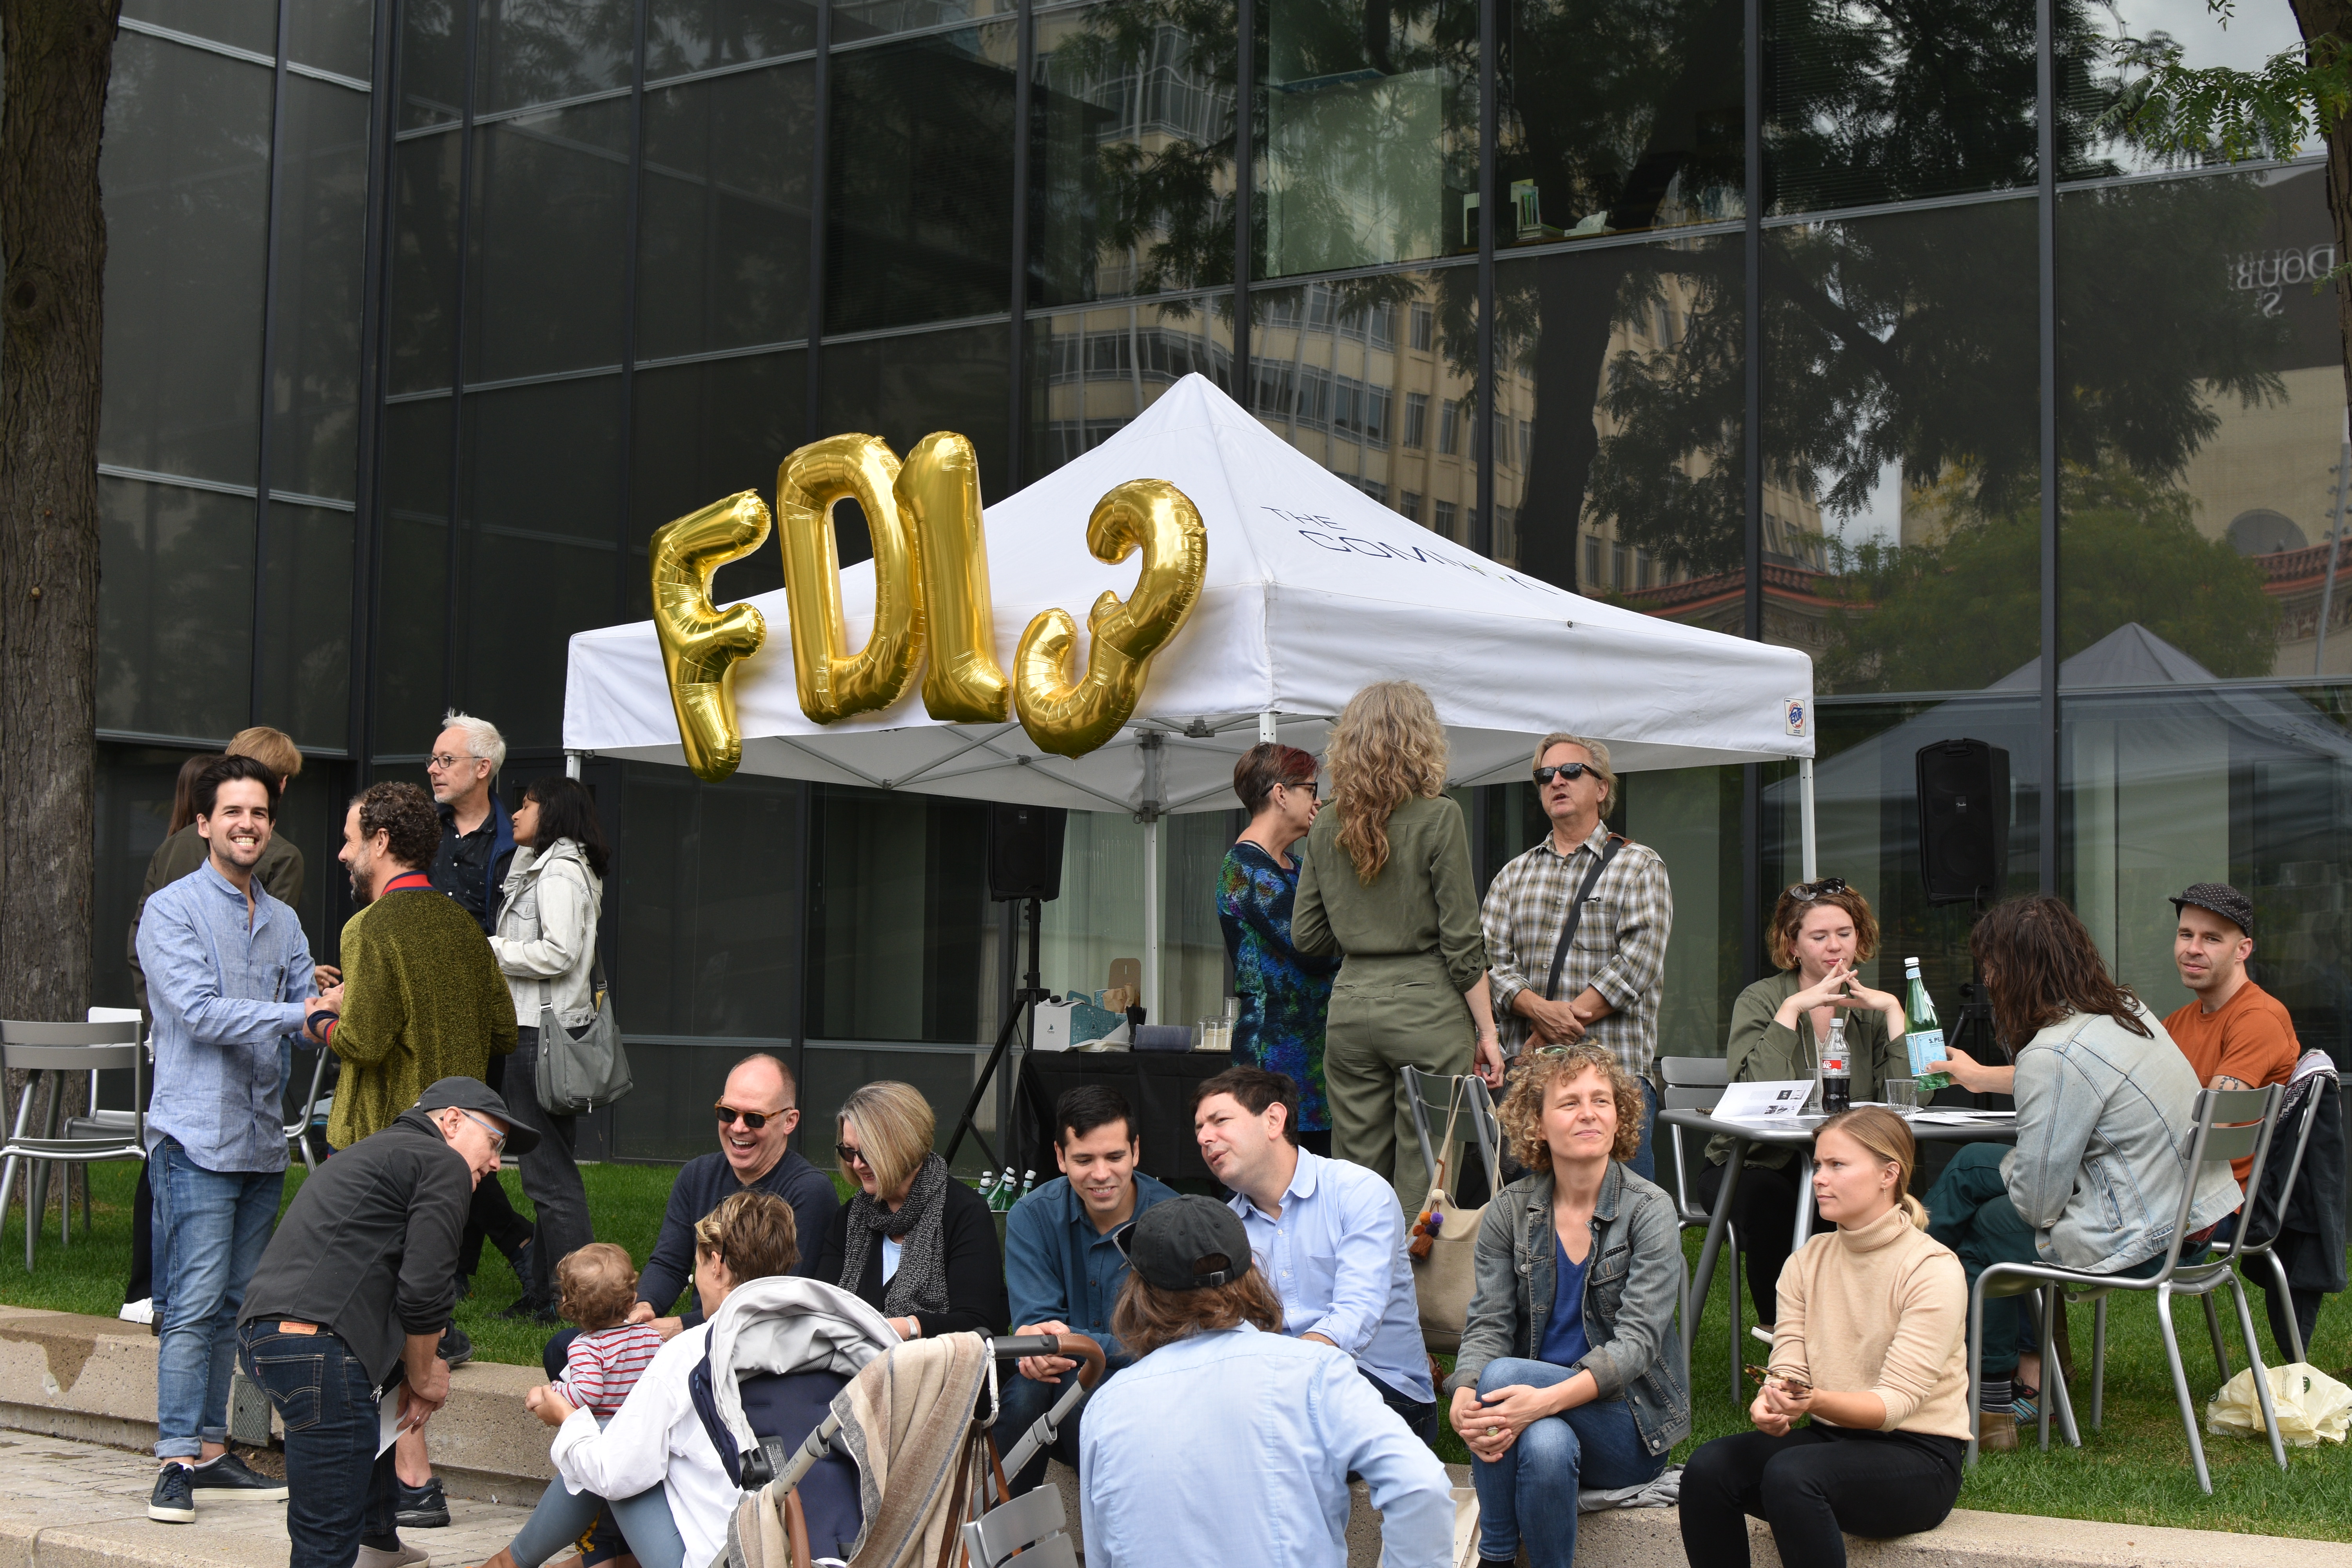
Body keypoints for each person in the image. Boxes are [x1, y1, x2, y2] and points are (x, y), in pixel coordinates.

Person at [1922, 895, 2240, 1450]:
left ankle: (1988, 1400)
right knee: (1973, 1162)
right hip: (2189, 1212)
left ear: (2019, 972)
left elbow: (2037, 1206)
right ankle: (1902, 1282)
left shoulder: (2056, 1053)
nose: (1988, 979)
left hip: (2146, 1232)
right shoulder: (2127, 1012)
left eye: (1992, 967)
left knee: (1989, 1230)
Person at [137, 755, 338, 1524]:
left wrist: (331, 1004)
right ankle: (173, 1459)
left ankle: (220, 1450)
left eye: (258, 812)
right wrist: (303, 1015)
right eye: (233, 812)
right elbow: (200, 1012)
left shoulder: (284, 920)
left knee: (241, 1306)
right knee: (190, 1306)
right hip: (193, 1139)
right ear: (204, 822)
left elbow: (304, 1011)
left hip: (260, 1142)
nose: (247, 823)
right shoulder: (172, 909)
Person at [316, 779, 519, 1525]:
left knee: (375, 1318)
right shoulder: (463, 925)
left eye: (348, 836)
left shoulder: (369, 928)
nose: (342, 851)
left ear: (379, 841)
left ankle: (404, 1478)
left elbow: (364, 1040)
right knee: (415, 1306)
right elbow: (502, 1029)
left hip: (382, 1142)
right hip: (456, 1150)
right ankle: (407, 1483)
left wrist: (320, 1017)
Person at [236, 1078, 534, 1568]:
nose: (496, 1162)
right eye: (495, 1143)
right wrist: (424, 1376)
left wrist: (415, 1365)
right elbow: (424, 1291)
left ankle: (377, 1538)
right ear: (453, 1120)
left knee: (373, 1407)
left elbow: (378, 1282)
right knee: (324, 1541)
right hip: (319, 1346)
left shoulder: (378, 1153)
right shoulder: (442, 1163)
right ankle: (361, 1542)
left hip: (266, 1336)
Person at [1078, 1194, 1454, 1568]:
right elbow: (1421, 1487)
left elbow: (1102, 1555)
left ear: (1138, 1294)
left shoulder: (1105, 1408)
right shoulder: (1315, 1372)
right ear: (1252, 1274)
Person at [1679, 1108, 1970, 1568]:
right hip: (1832, 1442)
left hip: (1918, 1457)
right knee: (1708, 1467)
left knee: (1793, 1474)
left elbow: (1894, 1405)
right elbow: (1790, 1359)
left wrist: (1810, 1402)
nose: (1819, 1178)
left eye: (1838, 1165)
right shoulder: (1808, 1259)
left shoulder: (1932, 1268)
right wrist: (1775, 1397)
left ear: (1888, 1174)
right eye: (1818, 1165)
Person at [1448, 1043, 1688, 1568]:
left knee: (1503, 1380)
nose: (1588, 1114)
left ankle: (1493, 1557)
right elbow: (1488, 1322)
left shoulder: (1649, 1211)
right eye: (1569, 1102)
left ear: (1619, 1115)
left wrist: (1534, 1399)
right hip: (1530, 1418)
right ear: (1536, 1122)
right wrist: (1464, 1392)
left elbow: (1636, 1348)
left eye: (1601, 1101)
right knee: (1544, 1445)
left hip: (1626, 1426)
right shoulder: (1509, 1212)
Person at [489, 1191, 805, 1568]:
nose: (697, 1281)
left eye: (697, 1270)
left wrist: (568, 1419)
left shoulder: (690, 1353)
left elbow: (615, 1474)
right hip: (806, 1541)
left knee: (610, 1443)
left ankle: (514, 1560)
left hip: (729, 1552)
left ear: (717, 1264)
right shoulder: (812, 1335)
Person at [1293, 681, 1502, 1208]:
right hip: (1427, 1009)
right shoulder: (1439, 817)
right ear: (1422, 740)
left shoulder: (1325, 827)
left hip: (1352, 1008)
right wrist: (1489, 1032)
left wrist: (1362, 929)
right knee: (1427, 1178)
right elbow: (1462, 942)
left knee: (1356, 1178)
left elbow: (1308, 936)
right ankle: (1417, 1290)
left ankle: (1360, 1287)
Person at [1699, 877, 1908, 1323]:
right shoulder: (1762, 999)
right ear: (1792, 945)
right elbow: (1755, 1096)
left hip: (1835, 1161)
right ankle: (1786, 1337)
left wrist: (1893, 1012)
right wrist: (1791, 1011)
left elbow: (1908, 1105)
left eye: (1845, 933)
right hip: (1751, 1162)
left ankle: (1864, 1333)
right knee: (1772, 1200)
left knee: (1873, 1193)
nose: (1835, 947)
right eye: (1819, 936)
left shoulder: (1865, 1007)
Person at [1193, 1066, 1437, 1439]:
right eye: (1199, 1129)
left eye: (1219, 1121)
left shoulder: (1357, 1192)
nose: (1205, 1138)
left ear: (1274, 1119)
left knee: (1263, 1431)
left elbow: (1355, 1315)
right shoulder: (1223, 1226)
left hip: (1383, 1391)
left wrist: (1274, 1376)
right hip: (1274, 1392)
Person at [1481, 733, 1673, 1182]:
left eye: (1571, 771)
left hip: (1614, 1079)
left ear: (1602, 787)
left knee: (1623, 1219)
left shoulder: (1640, 866)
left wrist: (1556, 1022)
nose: (1557, 781)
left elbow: (1637, 964)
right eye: (1546, 775)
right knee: (1527, 1220)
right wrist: (1538, 1010)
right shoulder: (1514, 874)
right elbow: (1489, 961)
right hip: (1530, 1080)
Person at [1001, 1085, 1178, 1494]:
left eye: (1115, 1156)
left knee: (1069, 1378)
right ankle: (1009, 1545)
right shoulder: (1032, 1215)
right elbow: (1038, 1328)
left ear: (1135, 1150)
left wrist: (1076, 1344)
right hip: (1059, 1389)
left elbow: (1165, 1342)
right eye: (1084, 1159)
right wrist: (1044, 1343)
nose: (1101, 1173)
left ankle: (1006, 1538)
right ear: (1061, 1158)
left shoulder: (1170, 1218)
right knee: (1038, 1384)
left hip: (1147, 1390)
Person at [612, 1053, 840, 1355]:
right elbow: (669, 1262)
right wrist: (644, 1308)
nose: (738, 1128)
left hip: (760, 1349)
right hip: (698, 1336)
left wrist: (679, 1326)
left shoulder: (810, 1191)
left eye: (755, 1118)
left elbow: (783, 1302)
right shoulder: (697, 1175)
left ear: (789, 1121)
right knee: (567, 1347)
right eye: (728, 1113)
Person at [484, 775, 608, 1320]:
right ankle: (543, 1293)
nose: (516, 813)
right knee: (547, 1170)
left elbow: (557, 953)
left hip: (539, 1033)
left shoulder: (558, 873)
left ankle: (575, 1299)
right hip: (543, 1031)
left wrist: (492, 950)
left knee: (549, 1177)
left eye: (528, 804)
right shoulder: (548, 864)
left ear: (553, 811)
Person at [426, 710, 537, 1315]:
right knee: (448, 1132)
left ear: (482, 768)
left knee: (469, 1132)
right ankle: (508, 1242)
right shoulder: (424, 829)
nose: (434, 769)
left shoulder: (514, 838)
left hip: (484, 1007)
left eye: (446, 760)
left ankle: (463, 1265)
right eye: (434, 760)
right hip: (426, 1003)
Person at [1218, 742, 1344, 1154]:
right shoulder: (1244, 868)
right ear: (1281, 793)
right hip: (1273, 1058)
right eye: (1311, 788)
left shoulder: (1297, 865)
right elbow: (1313, 947)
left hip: (1317, 1053)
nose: (1319, 799)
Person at [815, 1080, 1008, 1339]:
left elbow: (977, 1322)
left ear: (907, 1146)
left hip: (946, 1370)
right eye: (849, 1152)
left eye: (869, 1153)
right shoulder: (850, 1219)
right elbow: (821, 1311)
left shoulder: (964, 1214)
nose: (857, 1164)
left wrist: (904, 1329)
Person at [2161, 883, 2299, 1185]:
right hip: (2170, 1189)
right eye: (2186, 935)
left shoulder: (2259, 1018)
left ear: (2243, 950)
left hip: (2216, 1204)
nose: (2193, 949)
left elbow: (2212, 1128)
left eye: (2211, 939)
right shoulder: (2175, 1023)